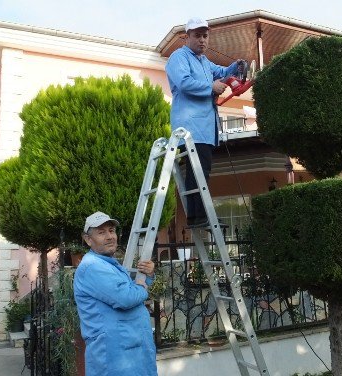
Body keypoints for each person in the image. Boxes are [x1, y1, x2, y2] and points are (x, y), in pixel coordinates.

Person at [165, 17, 244, 227]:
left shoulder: (204, 61)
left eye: (205, 36)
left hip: (205, 128)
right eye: (197, 35)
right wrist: (211, 87)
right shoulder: (178, 57)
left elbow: (221, 72)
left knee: (201, 170)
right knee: (198, 171)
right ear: (187, 36)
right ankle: (198, 217)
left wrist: (235, 67)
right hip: (190, 126)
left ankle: (197, 216)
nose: (202, 40)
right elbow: (183, 83)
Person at [73, 211, 158, 376]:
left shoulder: (108, 264)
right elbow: (126, 298)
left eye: (111, 230)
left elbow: (129, 292)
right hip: (114, 357)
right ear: (88, 239)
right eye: (101, 232)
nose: (109, 236)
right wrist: (142, 287)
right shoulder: (92, 267)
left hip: (129, 353)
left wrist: (148, 276)